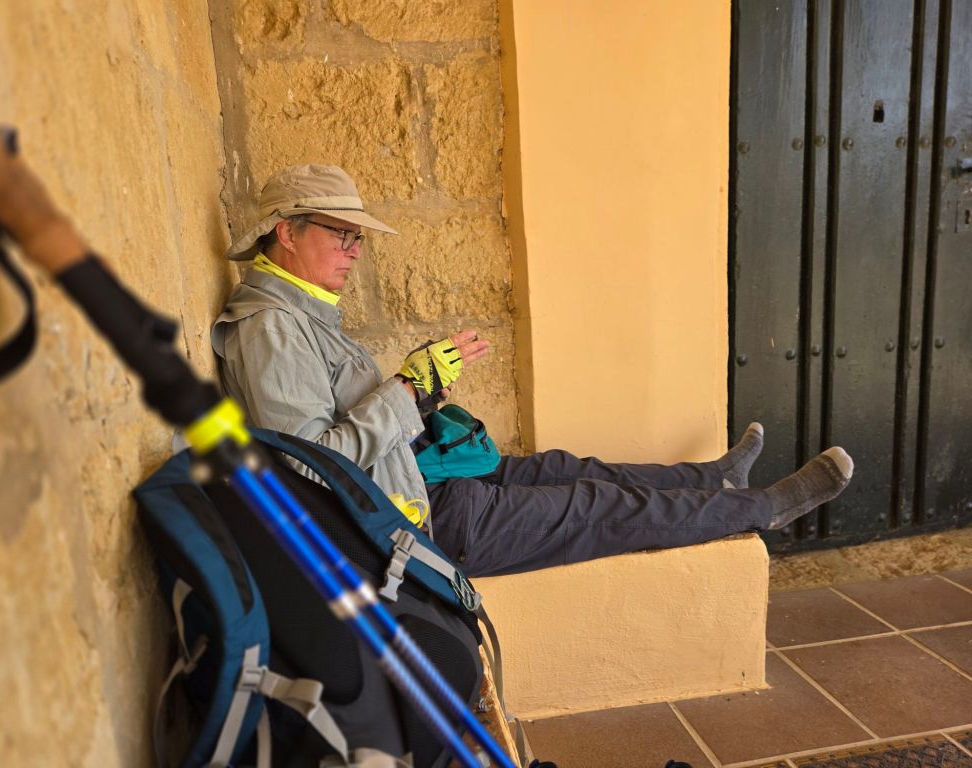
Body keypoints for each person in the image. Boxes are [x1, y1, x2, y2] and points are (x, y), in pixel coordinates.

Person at [211, 164, 853, 578]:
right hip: (414, 525)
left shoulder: (300, 312)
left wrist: (423, 388)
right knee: (596, 506)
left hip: (421, 479)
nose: (355, 250)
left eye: (359, 238)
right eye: (341, 234)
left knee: (568, 469)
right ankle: (762, 508)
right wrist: (406, 388)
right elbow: (309, 468)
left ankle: (714, 479)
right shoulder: (270, 329)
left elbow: (352, 422)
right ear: (286, 233)